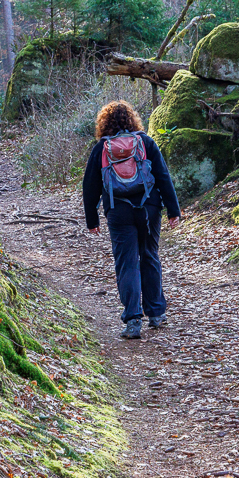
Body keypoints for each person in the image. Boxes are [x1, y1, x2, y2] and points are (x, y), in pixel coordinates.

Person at [81, 101, 182, 339]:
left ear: (104, 124)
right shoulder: (145, 142)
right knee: (149, 255)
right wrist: (173, 210)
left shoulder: (101, 148)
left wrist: (91, 219)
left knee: (127, 262)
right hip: (149, 208)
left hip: (118, 210)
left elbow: (90, 186)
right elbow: (163, 176)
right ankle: (156, 314)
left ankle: (133, 320)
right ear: (133, 120)